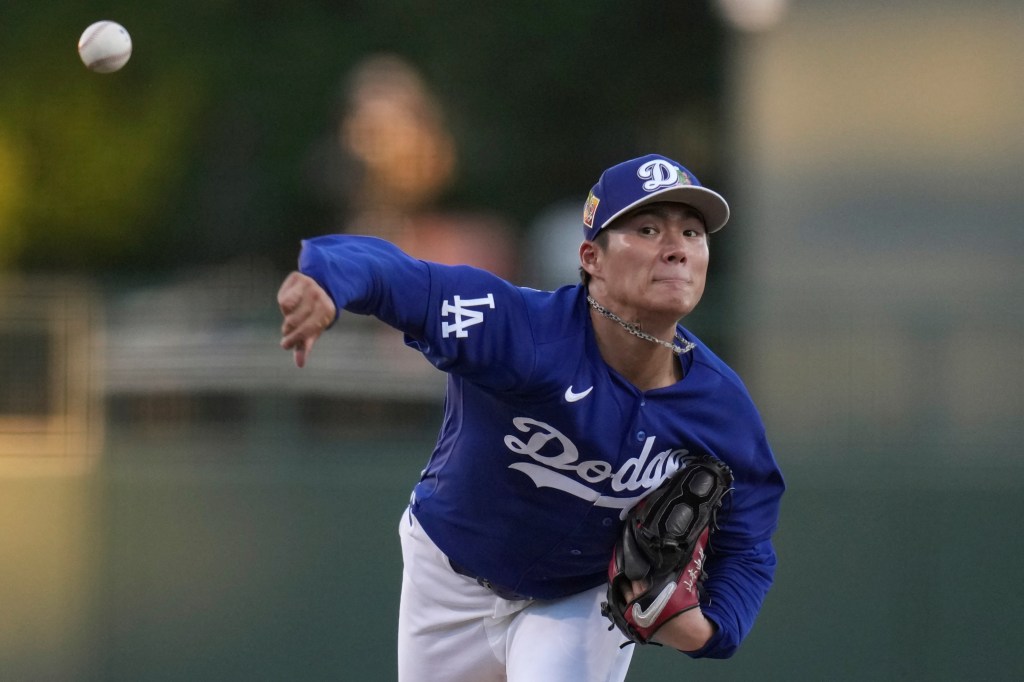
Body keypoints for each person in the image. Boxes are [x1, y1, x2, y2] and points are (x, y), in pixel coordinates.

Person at [277, 153, 785, 681]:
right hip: (448, 580)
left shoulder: (721, 407)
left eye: (692, 233)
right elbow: (406, 282)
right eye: (649, 229)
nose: (677, 249)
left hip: (582, 596)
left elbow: (748, 542)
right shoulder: (521, 332)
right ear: (592, 258)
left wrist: (713, 629)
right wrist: (328, 280)